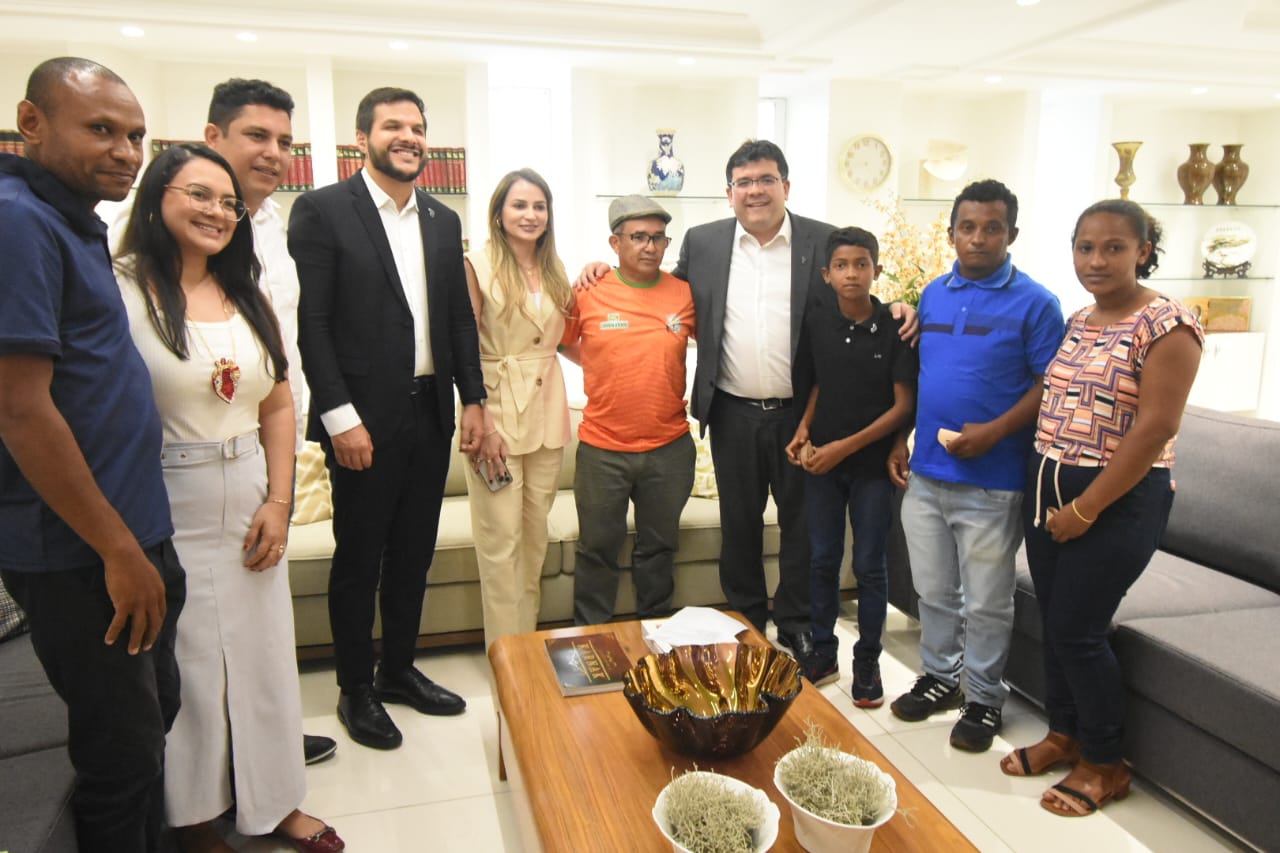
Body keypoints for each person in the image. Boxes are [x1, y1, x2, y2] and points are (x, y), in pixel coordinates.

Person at [580, 140, 917, 669]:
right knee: (739, 526)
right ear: (729, 191)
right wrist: (602, 268)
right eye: (744, 182)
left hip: (803, 414)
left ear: (786, 185)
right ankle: (745, 622)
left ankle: (798, 624)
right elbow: (660, 292)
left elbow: (858, 298)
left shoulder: (822, 240)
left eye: (765, 179)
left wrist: (899, 305)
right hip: (732, 410)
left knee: (801, 527)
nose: (755, 190)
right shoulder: (705, 242)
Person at [115, 142, 342, 853]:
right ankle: (192, 816)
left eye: (227, 201)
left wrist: (279, 500)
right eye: (198, 194)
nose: (217, 211)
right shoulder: (117, 287)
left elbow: (278, 402)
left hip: (248, 488)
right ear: (156, 198)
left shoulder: (247, 290)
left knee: (264, 655)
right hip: (163, 493)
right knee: (187, 665)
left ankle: (275, 802)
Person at [0, 56, 185, 853]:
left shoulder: (75, 221)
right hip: (78, 549)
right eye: (101, 130)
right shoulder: (17, 221)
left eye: (136, 134)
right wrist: (116, 549)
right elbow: (20, 407)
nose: (125, 150)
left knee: (152, 725)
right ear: (31, 123)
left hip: (133, 530)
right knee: (118, 755)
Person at [289, 87, 486, 751]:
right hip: (361, 423)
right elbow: (312, 324)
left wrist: (475, 399)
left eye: (419, 127)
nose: (410, 136)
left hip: (429, 412)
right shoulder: (321, 211)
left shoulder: (439, 216)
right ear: (362, 135)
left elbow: (458, 318)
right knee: (360, 559)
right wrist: (339, 416)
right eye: (394, 126)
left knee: (413, 553)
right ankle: (356, 688)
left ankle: (399, 668)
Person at [1003, 200, 1202, 816]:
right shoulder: (1081, 318)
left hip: (1116, 499)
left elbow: (1154, 428)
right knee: (1053, 616)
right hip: (1050, 485)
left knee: (1078, 630)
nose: (1096, 260)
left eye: (1114, 247)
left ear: (1143, 250)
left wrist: (1086, 508)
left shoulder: (1168, 324)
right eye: (1085, 247)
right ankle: (1064, 734)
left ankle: (1105, 763)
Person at [887, 179, 1065, 753]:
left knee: (988, 599)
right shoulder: (934, 294)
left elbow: (1048, 385)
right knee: (934, 591)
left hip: (993, 480)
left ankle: (985, 696)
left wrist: (993, 432)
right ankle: (941, 677)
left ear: (1012, 234)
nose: (979, 238)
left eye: (992, 228)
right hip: (927, 474)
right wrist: (900, 438)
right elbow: (920, 377)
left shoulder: (1036, 303)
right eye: (968, 227)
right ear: (951, 233)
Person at [785, 227, 916, 701]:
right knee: (821, 560)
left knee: (868, 565)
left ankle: (868, 663)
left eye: (861, 264)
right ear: (826, 274)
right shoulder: (819, 321)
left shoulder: (897, 328)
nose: (851, 273)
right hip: (822, 463)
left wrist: (843, 446)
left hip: (871, 470)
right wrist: (804, 428)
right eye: (841, 265)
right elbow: (819, 382)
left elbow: (903, 407)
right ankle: (823, 651)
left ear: (876, 271)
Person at [561, 195, 696, 625]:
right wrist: (600, 362)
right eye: (639, 237)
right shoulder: (587, 290)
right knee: (597, 547)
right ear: (614, 243)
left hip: (669, 449)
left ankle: (656, 633)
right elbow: (562, 340)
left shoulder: (684, 293)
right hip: (603, 450)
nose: (651, 246)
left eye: (658, 237)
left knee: (659, 547)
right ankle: (591, 637)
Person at [464, 169, 574, 649]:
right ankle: (505, 656)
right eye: (519, 206)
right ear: (499, 213)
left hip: (547, 415)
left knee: (533, 543)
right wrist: (479, 416)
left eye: (539, 207)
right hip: (495, 416)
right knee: (500, 543)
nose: (530, 215)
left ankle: (526, 647)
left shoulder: (555, 269)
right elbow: (463, 346)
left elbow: (568, 334)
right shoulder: (477, 263)